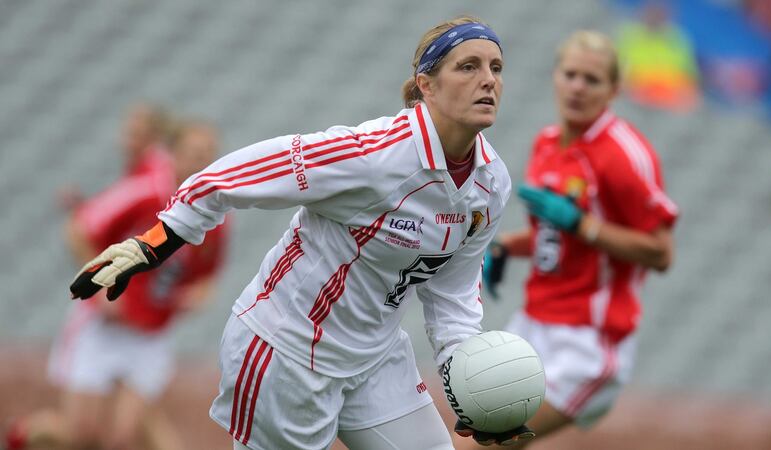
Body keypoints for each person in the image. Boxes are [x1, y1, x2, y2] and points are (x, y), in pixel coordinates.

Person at [66, 15, 534, 450]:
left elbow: (452, 294)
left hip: (377, 358)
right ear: (426, 86)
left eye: (496, 67)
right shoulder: (376, 155)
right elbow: (247, 170)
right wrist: (159, 240)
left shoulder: (490, 184)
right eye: (468, 66)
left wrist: (468, 384)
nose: (488, 79)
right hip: (285, 352)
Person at [463, 30, 678, 449]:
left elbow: (660, 252)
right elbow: (556, 237)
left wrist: (583, 226)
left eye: (592, 80)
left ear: (613, 89)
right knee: (474, 433)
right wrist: (507, 244)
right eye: (571, 74)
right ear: (556, 77)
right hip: (534, 323)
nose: (578, 87)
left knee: (485, 444)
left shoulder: (622, 153)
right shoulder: (547, 142)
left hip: (587, 342)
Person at [6, 120, 228, 450]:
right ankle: (21, 435)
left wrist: (199, 294)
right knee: (82, 435)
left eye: (208, 154)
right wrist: (101, 295)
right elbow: (79, 229)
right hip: (106, 329)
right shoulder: (147, 191)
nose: (201, 161)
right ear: (173, 155)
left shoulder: (215, 213)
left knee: (121, 438)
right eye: (194, 153)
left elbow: (207, 272)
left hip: (150, 334)